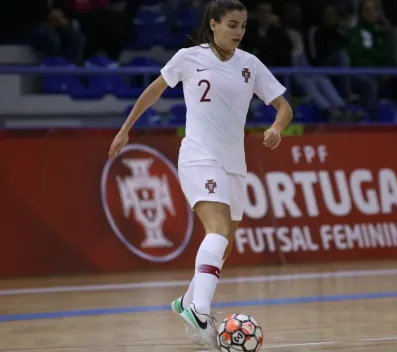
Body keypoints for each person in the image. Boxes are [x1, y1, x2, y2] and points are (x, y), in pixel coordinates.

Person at [108, 0, 293, 348]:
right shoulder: (188, 57)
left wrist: (276, 128)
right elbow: (154, 90)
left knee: (224, 246)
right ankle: (200, 311)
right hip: (198, 157)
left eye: (243, 25)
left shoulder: (250, 65)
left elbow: (284, 106)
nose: (239, 31)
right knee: (218, 229)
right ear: (213, 24)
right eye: (232, 24)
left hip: (234, 165)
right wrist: (126, 128)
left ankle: (186, 302)